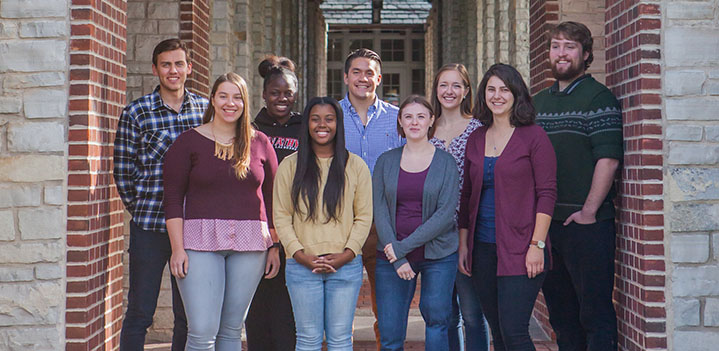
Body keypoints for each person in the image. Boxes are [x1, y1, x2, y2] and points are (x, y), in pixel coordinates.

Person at [162, 72, 280, 350]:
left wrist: (274, 246)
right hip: (198, 242)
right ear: (212, 99)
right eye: (223, 96)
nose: (230, 103)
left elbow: (275, 199)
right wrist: (177, 249)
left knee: (231, 330)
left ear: (245, 102)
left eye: (237, 97)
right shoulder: (188, 142)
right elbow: (173, 200)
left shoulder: (260, 142)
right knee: (202, 331)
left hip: (251, 243)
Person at [113, 38, 207, 351]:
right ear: (155, 69)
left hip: (194, 228)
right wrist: (141, 207)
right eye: (166, 64)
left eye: (179, 64)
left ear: (189, 68)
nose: (173, 71)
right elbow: (123, 171)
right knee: (140, 310)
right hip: (150, 228)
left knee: (187, 313)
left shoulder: (207, 111)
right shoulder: (136, 113)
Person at [534, 21, 623, 351]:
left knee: (595, 314)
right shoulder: (538, 103)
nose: (561, 53)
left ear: (586, 55)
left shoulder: (599, 98)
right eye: (556, 46)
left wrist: (588, 211)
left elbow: (609, 159)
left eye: (569, 47)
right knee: (561, 316)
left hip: (588, 227)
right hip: (547, 227)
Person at [457, 63, 557, 351]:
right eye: (491, 89)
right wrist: (464, 245)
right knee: (498, 334)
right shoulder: (476, 138)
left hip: (522, 247)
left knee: (514, 331)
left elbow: (547, 193)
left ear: (516, 94)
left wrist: (537, 244)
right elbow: (467, 195)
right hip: (483, 249)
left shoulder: (533, 136)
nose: (497, 96)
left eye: (504, 89)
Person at [273, 97, 373, 350]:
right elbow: (282, 215)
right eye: (315, 119)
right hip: (302, 265)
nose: (322, 125)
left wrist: (348, 253)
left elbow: (364, 216)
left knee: (340, 339)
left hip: (346, 266)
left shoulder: (356, 166)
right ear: (306, 123)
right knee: (308, 339)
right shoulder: (290, 166)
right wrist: (299, 253)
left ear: (338, 124)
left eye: (329, 119)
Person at [373, 95, 460, 351]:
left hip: (439, 255)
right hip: (390, 257)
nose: (414, 122)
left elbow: (445, 215)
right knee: (390, 333)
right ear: (400, 121)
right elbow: (379, 210)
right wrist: (397, 256)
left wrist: (403, 247)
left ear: (431, 120)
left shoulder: (446, 163)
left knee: (437, 322)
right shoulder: (385, 161)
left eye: (421, 116)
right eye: (408, 116)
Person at [339, 48, 403, 349]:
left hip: (385, 222)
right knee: (340, 307)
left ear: (379, 78)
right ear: (346, 77)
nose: (362, 78)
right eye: (356, 72)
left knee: (386, 307)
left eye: (369, 73)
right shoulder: (330, 117)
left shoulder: (398, 120)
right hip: (341, 222)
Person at [428, 63, 489, 351]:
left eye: (456, 85)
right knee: (446, 314)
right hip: (435, 236)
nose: (449, 91)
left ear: (466, 91)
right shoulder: (426, 127)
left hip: (470, 232)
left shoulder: (479, 130)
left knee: (473, 315)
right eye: (443, 85)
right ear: (436, 89)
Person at [246, 55, 300, 351]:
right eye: (275, 93)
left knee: (287, 308)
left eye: (288, 93)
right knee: (258, 305)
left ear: (295, 95)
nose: (281, 98)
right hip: (260, 225)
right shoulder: (251, 129)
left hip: (295, 227)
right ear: (264, 94)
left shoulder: (304, 127)